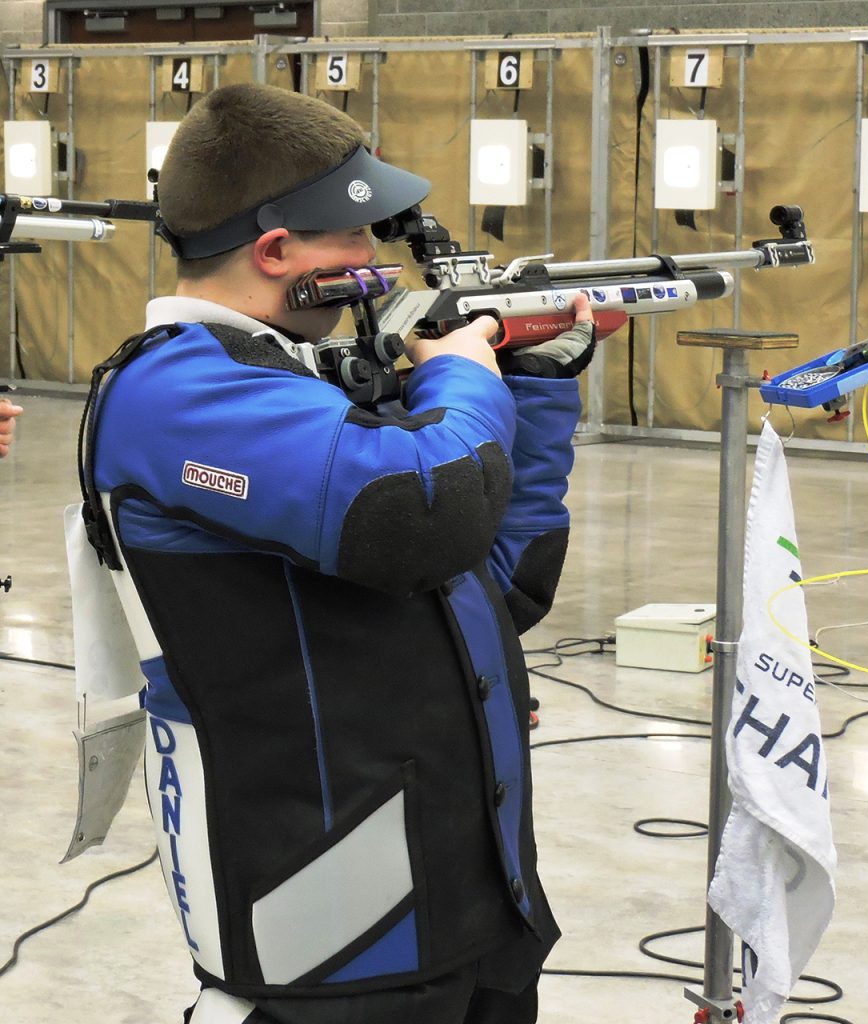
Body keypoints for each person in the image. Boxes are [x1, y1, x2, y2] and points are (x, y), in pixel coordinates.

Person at [81, 83, 595, 1024]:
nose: (376, 266)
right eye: (355, 240)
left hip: (476, 902)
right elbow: (421, 519)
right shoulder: (176, 390)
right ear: (277, 252)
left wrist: (537, 382)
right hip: (337, 932)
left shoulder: (310, 378)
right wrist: (462, 377)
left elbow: (498, 582)